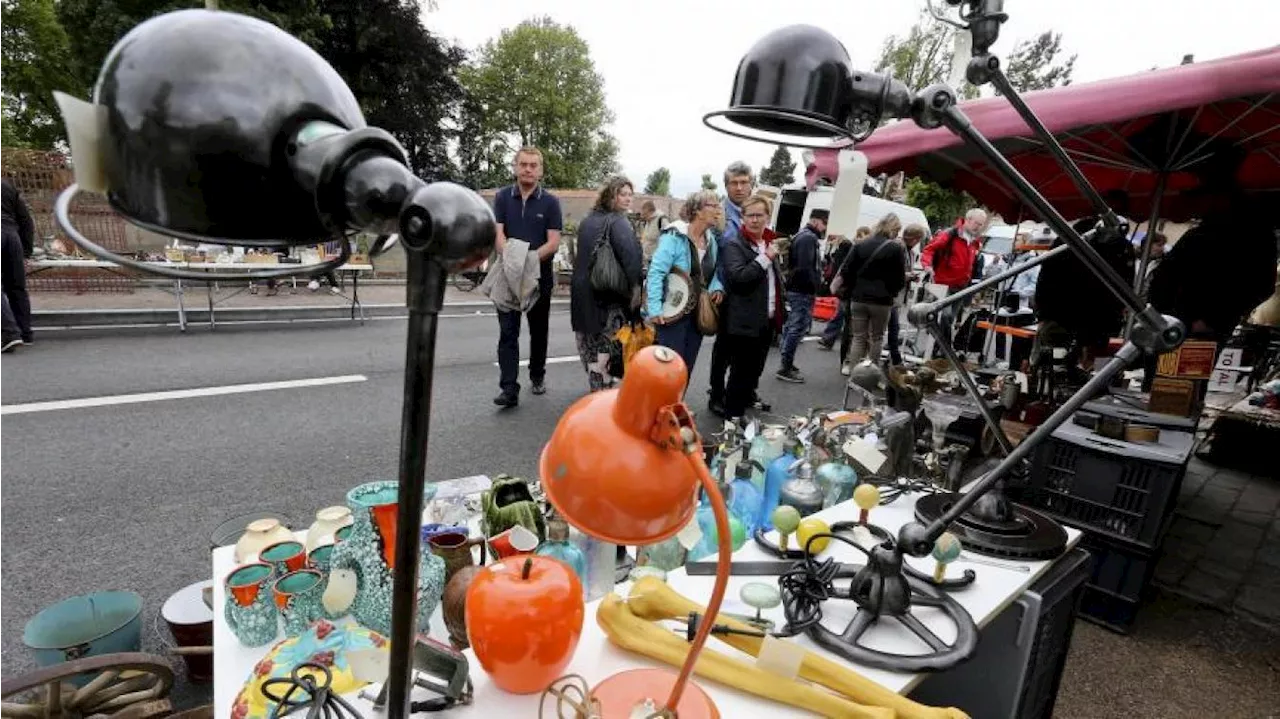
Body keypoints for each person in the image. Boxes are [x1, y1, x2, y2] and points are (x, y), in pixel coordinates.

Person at [1145, 145, 1277, 388]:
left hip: (1198, 328)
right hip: (1167, 323)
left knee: (1179, 392)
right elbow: (1173, 273)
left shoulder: (1251, 232)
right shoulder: (1203, 229)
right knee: (1157, 390)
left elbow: (1261, 283)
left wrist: (1212, 319)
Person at [492, 146, 564, 408]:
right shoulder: (501, 198)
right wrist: (512, 261)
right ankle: (509, 389)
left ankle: (537, 374)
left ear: (540, 170)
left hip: (538, 278)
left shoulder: (551, 203)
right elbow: (498, 234)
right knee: (508, 333)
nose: (528, 169)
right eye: (523, 164)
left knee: (538, 331)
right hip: (507, 278)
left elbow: (553, 242)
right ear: (515, 167)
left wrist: (527, 262)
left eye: (533, 165)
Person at [709, 162, 773, 414]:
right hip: (726, 291)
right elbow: (711, 257)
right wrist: (716, 287)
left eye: (744, 182)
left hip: (753, 290)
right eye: (734, 183)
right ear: (726, 186)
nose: (739, 187)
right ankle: (716, 394)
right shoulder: (718, 215)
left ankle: (745, 393)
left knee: (751, 353)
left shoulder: (757, 209)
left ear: (751, 183)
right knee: (723, 352)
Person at [571, 176, 643, 392]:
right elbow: (631, 260)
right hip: (608, 295)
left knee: (590, 344)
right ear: (611, 195)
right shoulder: (618, 222)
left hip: (583, 293)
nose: (628, 199)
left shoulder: (587, 220)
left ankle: (596, 387)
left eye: (630, 194)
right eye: (622, 194)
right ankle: (604, 398)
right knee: (608, 344)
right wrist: (637, 291)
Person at [718, 194, 784, 419]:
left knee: (754, 372)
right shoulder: (734, 244)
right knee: (740, 374)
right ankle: (732, 419)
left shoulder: (768, 242)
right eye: (750, 215)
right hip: (744, 321)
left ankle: (741, 410)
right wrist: (765, 258)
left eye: (760, 215)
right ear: (743, 217)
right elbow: (740, 278)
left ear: (767, 217)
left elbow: (774, 280)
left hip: (767, 319)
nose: (755, 220)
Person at [647, 190, 724, 376]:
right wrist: (655, 308)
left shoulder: (710, 240)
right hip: (672, 312)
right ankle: (662, 405)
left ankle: (676, 404)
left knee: (685, 368)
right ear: (698, 211)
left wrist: (717, 287)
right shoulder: (674, 236)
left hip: (697, 313)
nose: (718, 211)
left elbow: (714, 270)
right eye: (713, 206)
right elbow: (656, 271)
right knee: (669, 368)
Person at [831, 213, 908, 373]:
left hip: (858, 298)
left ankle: (854, 373)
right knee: (876, 338)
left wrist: (854, 288)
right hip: (882, 300)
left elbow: (846, 270)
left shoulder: (860, 244)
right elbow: (899, 278)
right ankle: (870, 374)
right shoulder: (895, 248)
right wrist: (892, 292)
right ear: (893, 229)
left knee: (858, 337)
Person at [776, 209, 828, 383]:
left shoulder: (803, 236)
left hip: (797, 288)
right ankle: (786, 367)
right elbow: (806, 267)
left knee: (793, 326)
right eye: (824, 223)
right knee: (797, 327)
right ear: (816, 221)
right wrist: (814, 285)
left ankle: (786, 362)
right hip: (802, 290)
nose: (825, 227)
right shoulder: (808, 238)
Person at [921, 208, 988, 341]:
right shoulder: (950, 234)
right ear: (968, 220)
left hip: (961, 286)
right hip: (943, 284)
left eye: (981, 225)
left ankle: (937, 348)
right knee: (945, 316)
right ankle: (943, 346)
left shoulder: (975, 241)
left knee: (950, 318)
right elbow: (929, 249)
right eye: (977, 223)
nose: (979, 227)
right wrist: (927, 266)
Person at [818, 225, 870, 352]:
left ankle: (829, 339)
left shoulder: (857, 247)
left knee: (842, 315)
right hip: (851, 289)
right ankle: (831, 339)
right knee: (843, 315)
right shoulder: (856, 248)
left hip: (849, 288)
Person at [0, 177, 35, 351]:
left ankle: (9, 334)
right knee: (16, 287)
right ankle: (25, 333)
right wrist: (26, 251)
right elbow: (26, 220)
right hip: (12, 237)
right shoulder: (7, 186)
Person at [885, 223, 927, 366]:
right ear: (915, 239)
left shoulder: (910, 251)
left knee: (892, 327)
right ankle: (895, 359)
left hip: (896, 295)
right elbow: (891, 271)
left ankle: (894, 358)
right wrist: (908, 275)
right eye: (919, 239)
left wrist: (910, 276)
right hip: (890, 294)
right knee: (891, 327)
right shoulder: (898, 247)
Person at [637, 200, 669, 268]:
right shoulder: (648, 221)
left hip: (657, 263)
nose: (643, 216)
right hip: (647, 261)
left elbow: (668, 242)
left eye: (644, 213)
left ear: (650, 211)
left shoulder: (662, 220)